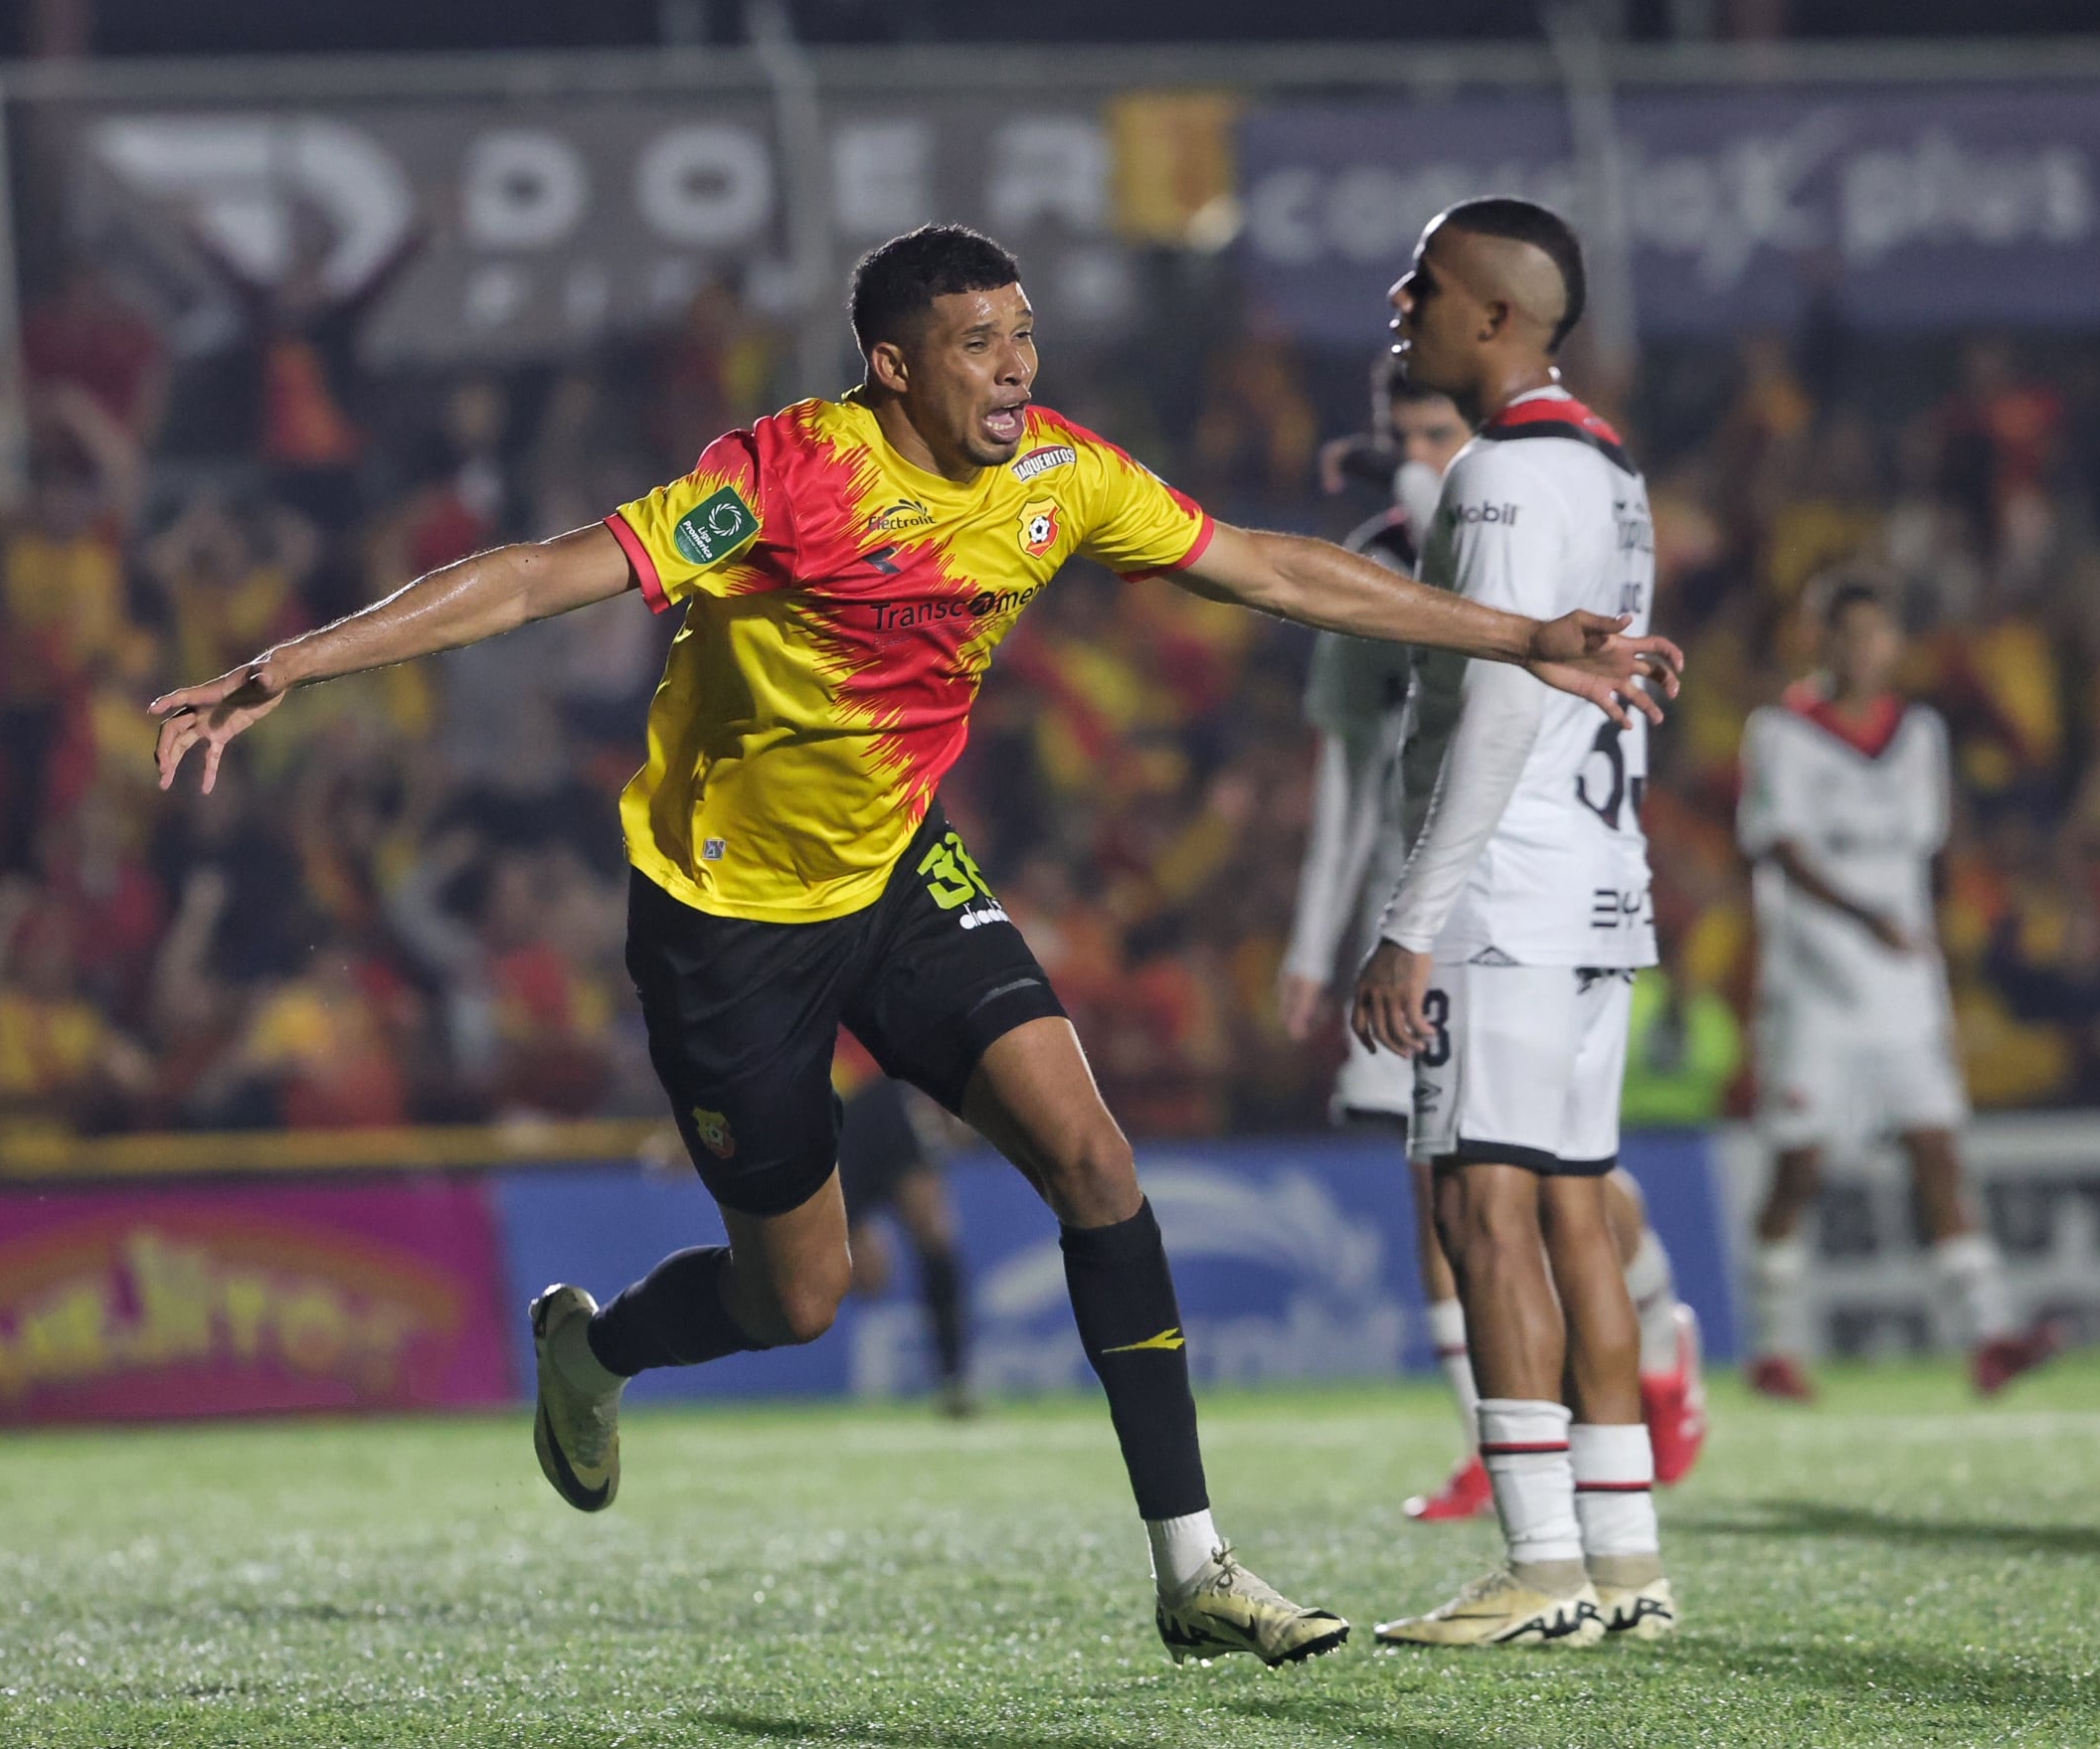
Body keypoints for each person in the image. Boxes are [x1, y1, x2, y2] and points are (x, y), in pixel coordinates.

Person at [151, 223, 1677, 1668]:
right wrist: (299, 660)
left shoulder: (1062, 474)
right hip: (726, 922)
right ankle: (594, 1352)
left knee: (1093, 1158)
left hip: (896, 873)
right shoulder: (786, 474)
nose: (1015, 368)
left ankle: (1194, 1567)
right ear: (893, 364)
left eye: (1023, 336)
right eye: (977, 344)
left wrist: (1518, 635)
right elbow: (549, 571)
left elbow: (1266, 567)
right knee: (798, 1295)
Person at [1281, 363, 1705, 1527]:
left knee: (1558, 1183)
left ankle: (1651, 1348)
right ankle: (1500, 1447)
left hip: (1519, 891)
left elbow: (1509, 684)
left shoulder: (1518, 523)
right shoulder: (1378, 559)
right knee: (1448, 1184)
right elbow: (1351, 772)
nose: (1420, 455)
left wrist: (1403, 474)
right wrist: (1316, 942)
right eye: (1403, 434)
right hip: (1419, 907)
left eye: (1438, 433)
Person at [1354, 198, 1674, 1649]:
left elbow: (1495, 703)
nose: (1399, 299)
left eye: (1423, 281)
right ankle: (1625, 1560)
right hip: (1600, 881)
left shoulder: (1497, 473)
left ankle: (1540, 1563)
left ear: (1492, 315)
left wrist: (1410, 919)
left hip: (1508, 892)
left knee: (1482, 1212)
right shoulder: (1609, 468)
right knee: (1573, 1213)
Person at [1739, 582, 2061, 1400]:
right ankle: (1775, 1345)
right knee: (1799, 1167)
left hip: (1903, 987)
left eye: (1877, 634)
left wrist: (1938, 945)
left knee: (1938, 1152)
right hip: (1814, 985)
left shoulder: (1919, 733)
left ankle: (1990, 1334)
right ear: (1820, 641)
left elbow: (1930, 851)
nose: (1863, 649)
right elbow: (1779, 847)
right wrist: (1865, 917)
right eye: (1847, 633)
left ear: (1895, 644)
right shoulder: (1779, 732)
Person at [833, 1032, 975, 1417]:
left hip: (884, 1092)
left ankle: (953, 1379)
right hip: (826, 1105)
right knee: (868, 1279)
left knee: (934, 1233)